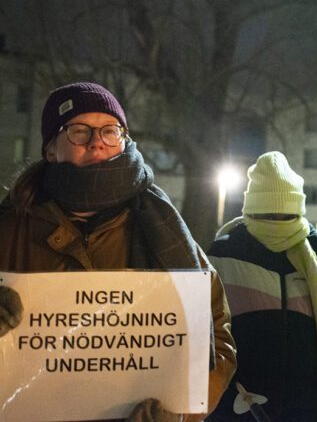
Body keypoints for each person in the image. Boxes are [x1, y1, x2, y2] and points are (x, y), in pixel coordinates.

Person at [0, 82, 237, 421]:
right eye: (79, 131)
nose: (97, 141)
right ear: (51, 149)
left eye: (110, 130)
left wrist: (180, 411)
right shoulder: (9, 229)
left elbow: (216, 337)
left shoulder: (164, 227)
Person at [206, 151, 317, 421]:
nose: (276, 223)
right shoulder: (223, 255)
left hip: (307, 409)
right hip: (238, 410)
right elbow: (204, 340)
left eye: (285, 216)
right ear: (251, 210)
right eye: (267, 214)